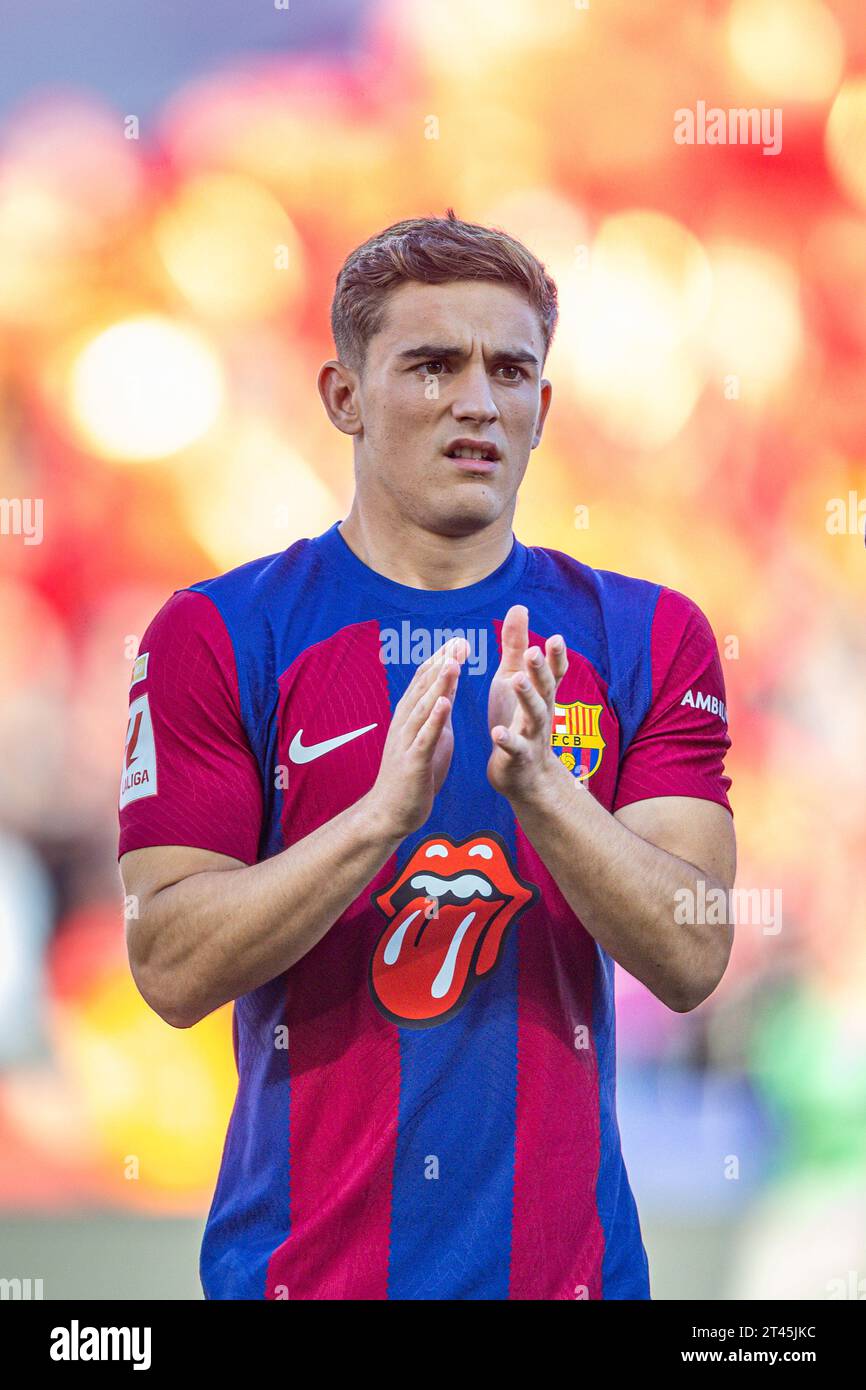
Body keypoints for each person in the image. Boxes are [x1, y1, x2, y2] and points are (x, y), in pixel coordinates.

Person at [118, 209, 735, 1300]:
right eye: (431, 364)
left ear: (542, 408)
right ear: (343, 396)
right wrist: (372, 823)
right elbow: (168, 966)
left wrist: (545, 796)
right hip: (303, 1279)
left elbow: (691, 959)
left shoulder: (647, 635)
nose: (477, 401)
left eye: (509, 369)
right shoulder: (218, 634)